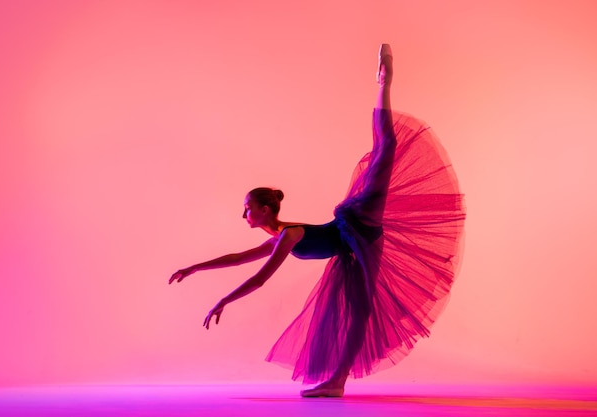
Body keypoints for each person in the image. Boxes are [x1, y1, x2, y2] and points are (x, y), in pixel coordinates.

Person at [169, 44, 466, 397]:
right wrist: (193, 268)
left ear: (264, 210)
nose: (244, 213)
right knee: (359, 311)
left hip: (358, 226)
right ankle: (337, 382)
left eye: (248, 207)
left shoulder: (290, 235)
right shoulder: (280, 236)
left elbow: (260, 278)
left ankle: (383, 82)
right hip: (355, 246)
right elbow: (238, 258)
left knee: (386, 150)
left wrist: (224, 301)